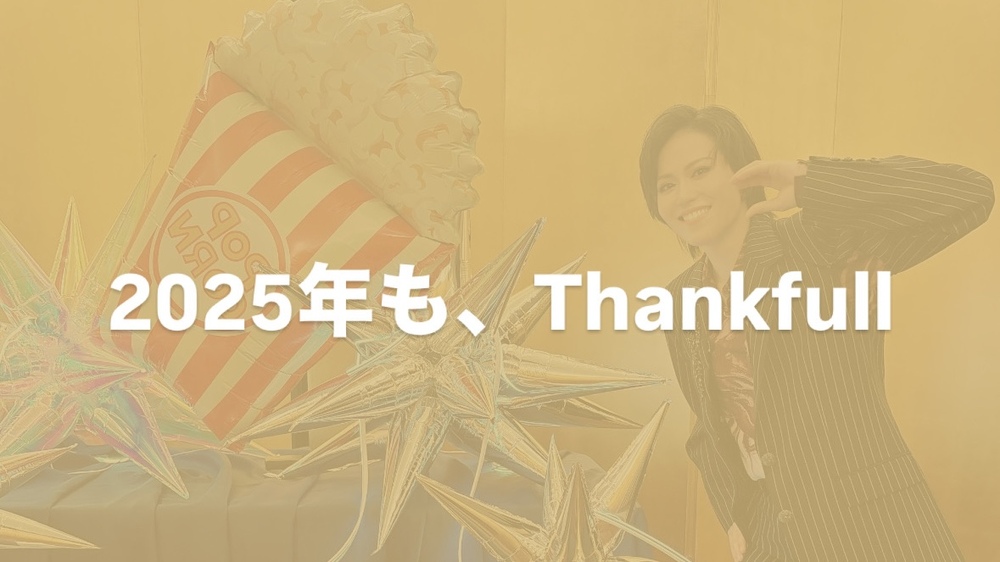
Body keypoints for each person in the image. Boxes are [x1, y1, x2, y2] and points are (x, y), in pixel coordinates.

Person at [639, 105, 994, 562]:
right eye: (666, 185)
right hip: (772, 537)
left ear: (741, 170)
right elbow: (708, 427)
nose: (685, 194)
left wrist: (814, 181)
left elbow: (969, 194)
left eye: (700, 171)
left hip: (871, 527)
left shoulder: (817, 242)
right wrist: (734, 515)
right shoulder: (681, 298)